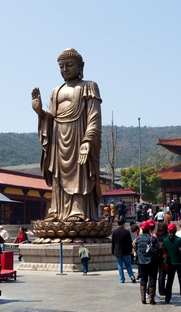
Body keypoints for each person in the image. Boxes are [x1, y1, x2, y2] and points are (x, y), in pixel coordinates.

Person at [31, 48, 102, 224]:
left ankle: (78, 212)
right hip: (57, 138)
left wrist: (88, 140)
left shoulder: (89, 86)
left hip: (78, 136)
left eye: (69, 65)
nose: (65, 69)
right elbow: (51, 117)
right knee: (58, 176)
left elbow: (94, 117)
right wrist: (40, 111)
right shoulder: (56, 91)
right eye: (61, 66)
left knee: (80, 173)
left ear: (80, 66)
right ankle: (57, 210)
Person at [134, 220, 162, 304]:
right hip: (152, 262)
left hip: (141, 262)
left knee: (143, 279)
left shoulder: (138, 238)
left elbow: (136, 249)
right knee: (152, 279)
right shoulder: (152, 238)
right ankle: (151, 299)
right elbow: (159, 248)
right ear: (148, 228)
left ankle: (143, 298)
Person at [162, 223, 181, 304]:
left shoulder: (165, 240)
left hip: (170, 263)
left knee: (169, 281)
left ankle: (167, 298)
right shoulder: (179, 239)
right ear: (175, 230)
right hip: (180, 262)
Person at [111, 218, 136, 283]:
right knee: (128, 264)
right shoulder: (126, 231)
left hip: (117, 251)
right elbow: (129, 242)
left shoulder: (114, 232)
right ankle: (132, 276)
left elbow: (113, 243)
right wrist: (130, 250)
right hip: (126, 251)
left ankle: (122, 279)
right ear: (123, 224)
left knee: (120, 265)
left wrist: (113, 251)